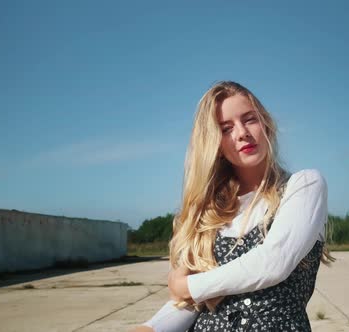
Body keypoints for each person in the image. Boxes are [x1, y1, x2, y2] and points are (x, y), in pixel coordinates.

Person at [131, 81, 334, 332]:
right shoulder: (208, 213)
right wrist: (151, 328)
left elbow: (274, 262)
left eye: (249, 119)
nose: (242, 133)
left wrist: (187, 286)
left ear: (266, 125)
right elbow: (194, 303)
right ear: (215, 145)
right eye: (226, 128)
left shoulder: (303, 185)